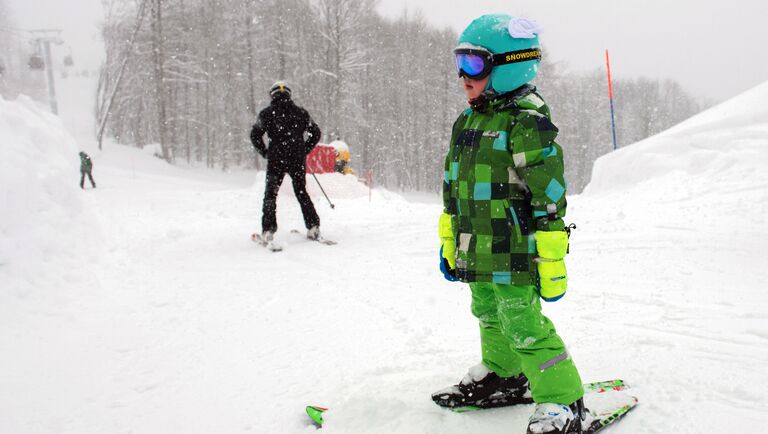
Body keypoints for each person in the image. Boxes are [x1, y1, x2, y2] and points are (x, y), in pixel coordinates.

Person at [434, 15, 587, 434]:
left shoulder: (526, 121)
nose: (463, 76)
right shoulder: (467, 121)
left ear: (509, 66)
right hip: (475, 243)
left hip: (514, 246)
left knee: (522, 322)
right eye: (459, 63)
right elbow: (453, 185)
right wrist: (451, 238)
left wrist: (551, 255)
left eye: (474, 65)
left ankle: (563, 398)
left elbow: (548, 191)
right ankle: (504, 374)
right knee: (486, 310)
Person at [250, 81, 322, 241]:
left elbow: (255, 135)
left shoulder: (267, 114)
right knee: (301, 192)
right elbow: (315, 133)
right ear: (289, 94)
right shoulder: (301, 113)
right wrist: (304, 149)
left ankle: (268, 230)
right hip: (296, 158)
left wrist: (265, 152)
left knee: (270, 194)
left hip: (276, 159)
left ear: (272, 95)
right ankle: (313, 226)